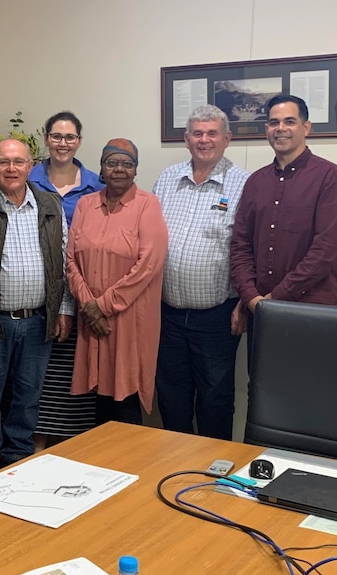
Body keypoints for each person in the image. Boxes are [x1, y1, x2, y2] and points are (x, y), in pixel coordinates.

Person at [0, 138, 74, 479]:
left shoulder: (49, 204)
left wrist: (65, 309)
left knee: (29, 392)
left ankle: (18, 451)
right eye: (3, 162)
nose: (11, 169)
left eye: (18, 162)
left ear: (31, 165)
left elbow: (63, 257)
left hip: (37, 319)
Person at [152, 105, 249, 440]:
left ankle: (213, 471)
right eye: (197, 133)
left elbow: (248, 249)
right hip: (167, 314)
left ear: (227, 139)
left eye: (212, 133)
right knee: (171, 394)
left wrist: (244, 302)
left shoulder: (243, 184)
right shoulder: (167, 179)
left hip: (217, 317)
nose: (204, 140)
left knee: (215, 397)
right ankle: (174, 465)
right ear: (186, 139)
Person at [230, 94, 337, 353]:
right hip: (260, 313)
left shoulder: (331, 178)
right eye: (273, 122)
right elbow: (240, 245)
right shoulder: (256, 182)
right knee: (259, 390)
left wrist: (274, 300)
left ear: (306, 127)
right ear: (266, 130)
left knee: (309, 391)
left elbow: (327, 250)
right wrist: (251, 298)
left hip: (311, 313)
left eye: (289, 121)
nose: (280, 128)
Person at [67, 139, 168, 424]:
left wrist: (103, 306)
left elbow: (148, 264)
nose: (119, 169)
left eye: (127, 163)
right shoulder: (86, 205)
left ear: (136, 170)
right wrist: (89, 305)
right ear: (101, 168)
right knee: (99, 398)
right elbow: (71, 260)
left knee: (126, 396)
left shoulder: (147, 205)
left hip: (129, 317)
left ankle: (131, 463)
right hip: (91, 317)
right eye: (112, 163)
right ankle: (104, 464)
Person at [28, 111, 104, 449]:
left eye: (70, 137)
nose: (63, 143)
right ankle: (33, 450)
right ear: (46, 138)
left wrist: (75, 301)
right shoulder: (26, 179)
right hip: (35, 293)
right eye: (56, 136)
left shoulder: (96, 187)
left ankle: (69, 451)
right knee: (34, 381)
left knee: (69, 380)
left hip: (79, 293)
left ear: (79, 141)